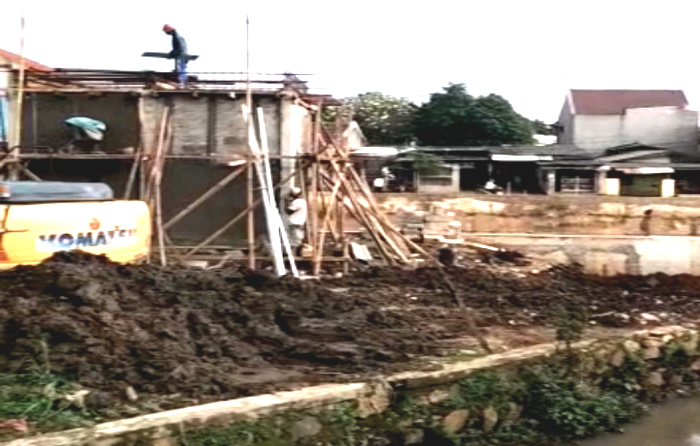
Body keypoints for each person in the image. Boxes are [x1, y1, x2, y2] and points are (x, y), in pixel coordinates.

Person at [285, 187, 307, 254]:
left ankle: (294, 256)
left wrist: (286, 204)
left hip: (295, 223)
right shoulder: (303, 201)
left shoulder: (297, 202)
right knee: (298, 239)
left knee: (294, 241)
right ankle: (297, 255)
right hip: (300, 223)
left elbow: (289, 211)